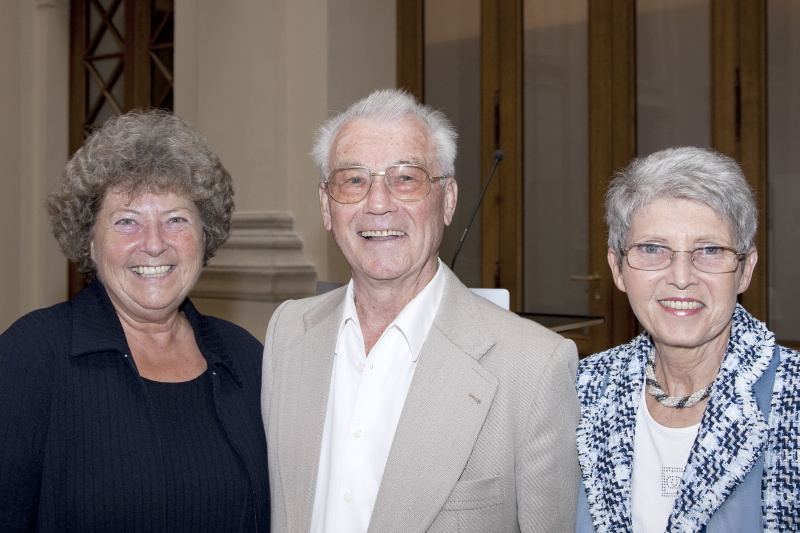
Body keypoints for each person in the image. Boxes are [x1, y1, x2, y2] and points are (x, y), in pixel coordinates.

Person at [261, 88, 581, 533]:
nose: (378, 203)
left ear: (448, 200)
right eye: (354, 180)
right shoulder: (288, 333)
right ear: (326, 206)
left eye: (406, 178)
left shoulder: (533, 367)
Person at [0, 109, 270, 532]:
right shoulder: (30, 357)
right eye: (127, 221)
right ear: (90, 241)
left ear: (205, 234)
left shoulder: (245, 358)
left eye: (176, 220)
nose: (154, 245)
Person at [575, 146, 800, 532]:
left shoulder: (792, 396)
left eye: (709, 250)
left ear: (745, 270)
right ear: (617, 268)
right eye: (652, 248)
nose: (681, 276)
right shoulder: (579, 390)